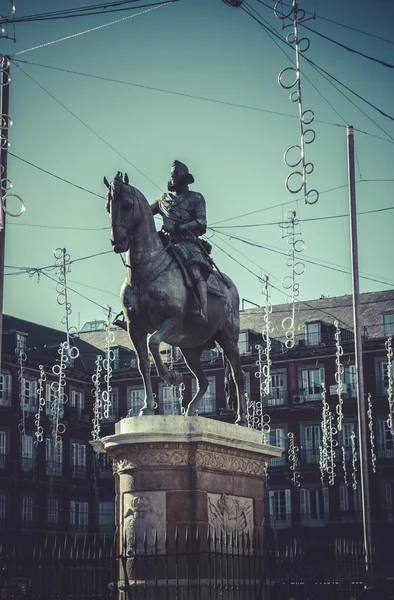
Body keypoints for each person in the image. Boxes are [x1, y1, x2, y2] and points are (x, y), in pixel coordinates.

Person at [150, 160, 212, 322]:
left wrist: (178, 227)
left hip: (188, 242)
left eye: (175, 174)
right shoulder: (162, 200)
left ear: (184, 178)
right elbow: (144, 213)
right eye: (171, 175)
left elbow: (201, 223)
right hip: (165, 243)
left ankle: (201, 307)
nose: (173, 177)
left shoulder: (196, 198)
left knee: (195, 272)